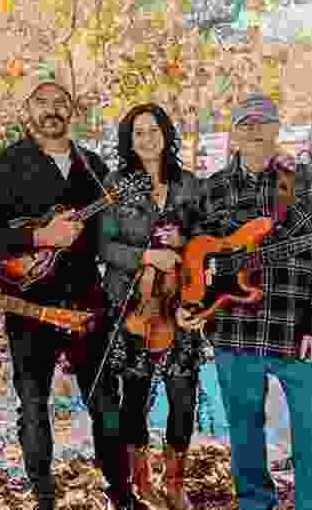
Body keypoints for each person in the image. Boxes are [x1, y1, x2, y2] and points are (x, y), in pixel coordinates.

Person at [0, 67, 139, 510]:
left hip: (87, 299)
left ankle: (122, 496)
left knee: (106, 402)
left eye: (60, 101)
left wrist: (149, 230)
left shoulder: (92, 165)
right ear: (27, 111)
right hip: (29, 304)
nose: (52, 110)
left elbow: (109, 236)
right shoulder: (4, 165)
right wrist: (37, 239)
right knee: (33, 407)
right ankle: (45, 498)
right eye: (41, 101)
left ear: (72, 109)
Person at [177, 93, 312, 510]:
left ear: (276, 129)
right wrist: (192, 300)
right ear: (233, 134)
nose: (253, 130)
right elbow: (195, 254)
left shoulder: (307, 180)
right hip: (234, 331)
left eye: (262, 122)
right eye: (245, 123)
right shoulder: (211, 189)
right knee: (245, 432)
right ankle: (255, 503)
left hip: (295, 329)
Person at [98, 103, 205, 510]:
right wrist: (146, 256)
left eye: (153, 130)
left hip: (181, 304)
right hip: (133, 305)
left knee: (183, 394)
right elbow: (104, 244)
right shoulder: (116, 183)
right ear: (128, 140)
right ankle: (141, 482)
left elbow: (203, 241)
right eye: (137, 132)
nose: (146, 139)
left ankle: (175, 482)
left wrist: (184, 244)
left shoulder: (189, 185)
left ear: (166, 134)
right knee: (136, 395)